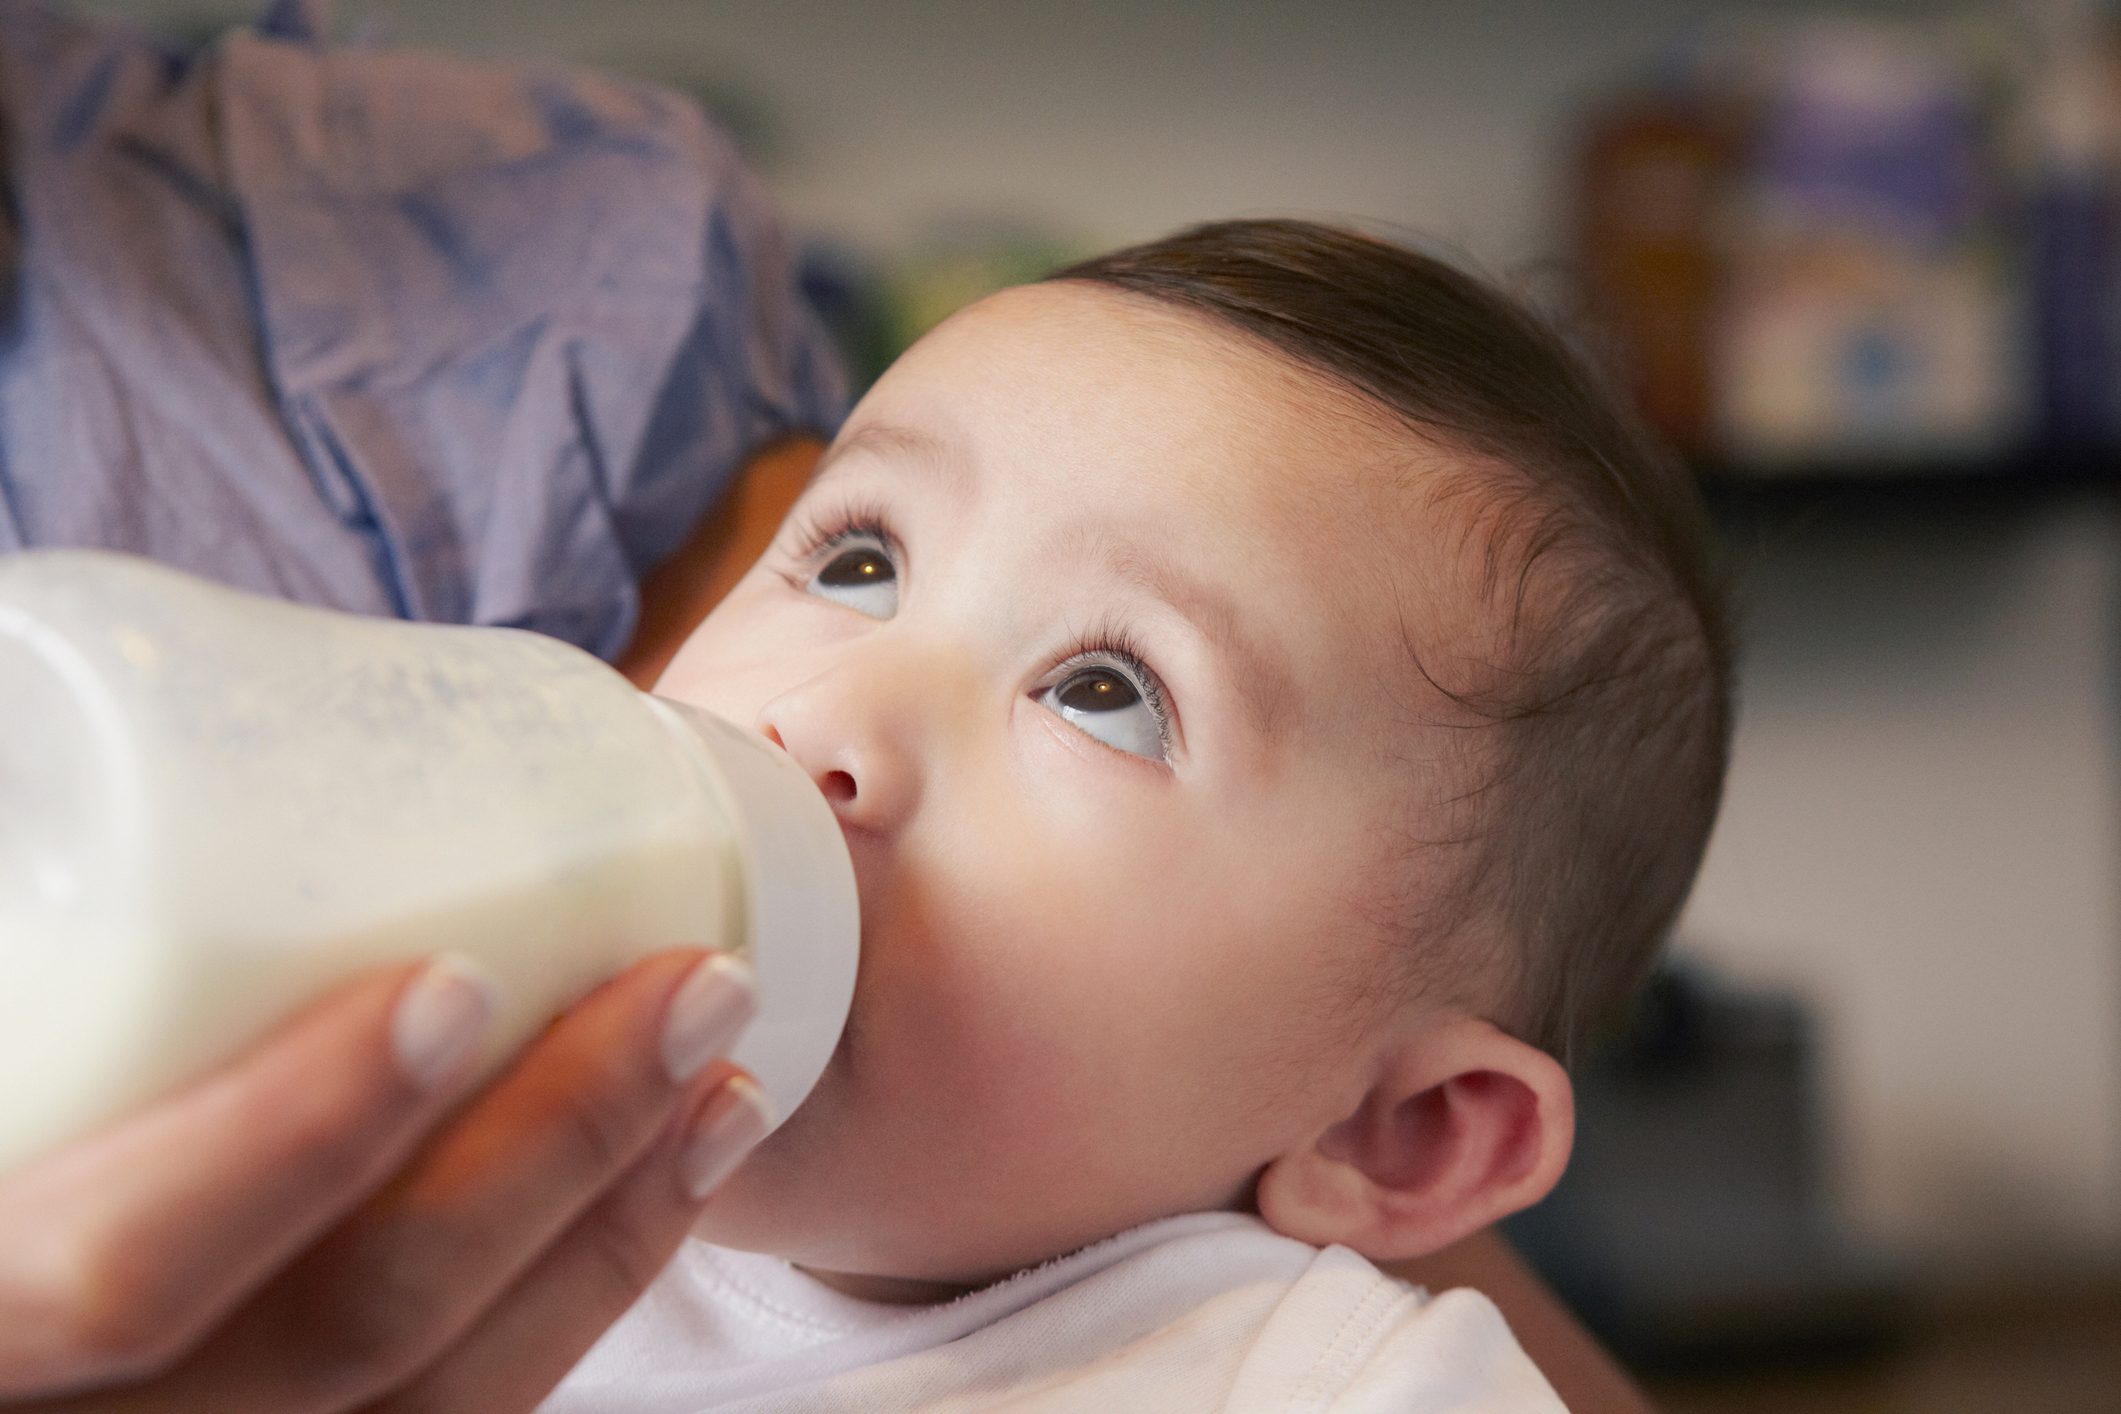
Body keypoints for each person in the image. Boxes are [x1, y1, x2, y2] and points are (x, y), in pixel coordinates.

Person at [0, 7, 1707, 1412]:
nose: (838, 717)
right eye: (863, 559)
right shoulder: (499, 1224)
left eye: (1103, 691)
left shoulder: (1330, 1383)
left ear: (1393, 1133)